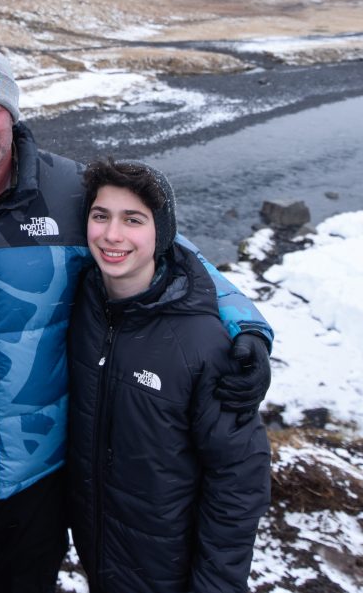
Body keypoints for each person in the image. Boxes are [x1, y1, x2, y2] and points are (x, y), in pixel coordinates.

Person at [0, 42, 274, 593]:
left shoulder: (70, 191)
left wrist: (245, 326)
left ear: (13, 114)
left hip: (43, 468)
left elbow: (173, 252)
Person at [67, 159, 271, 593]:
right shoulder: (81, 306)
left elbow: (239, 479)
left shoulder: (202, 343)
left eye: (133, 220)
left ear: (162, 233)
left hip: (171, 568)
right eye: (101, 216)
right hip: (99, 550)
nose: (112, 235)